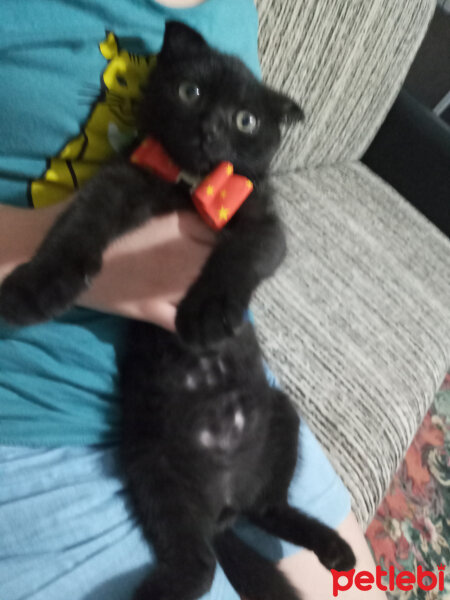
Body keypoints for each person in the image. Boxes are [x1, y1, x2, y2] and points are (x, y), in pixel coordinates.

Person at [0, 1, 387, 598]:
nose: (211, 128)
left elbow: (262, 234)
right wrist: (84, 267)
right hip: (46, 421)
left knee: (364, 587)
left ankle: (269, 513)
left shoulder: (232, 10)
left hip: (237, 393)